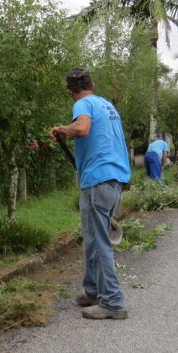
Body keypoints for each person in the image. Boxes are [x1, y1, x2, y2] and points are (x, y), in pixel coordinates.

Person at [50, 67, 130, 320]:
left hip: (98, 181)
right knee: (92, 239)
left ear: (69, 92)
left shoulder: (83, 104)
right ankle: (93, 290)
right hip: (115, 179)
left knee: (98, 242)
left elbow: (82, 128)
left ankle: (114, 302)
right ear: (92, 85)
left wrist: (62, 129)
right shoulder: (106, 105)